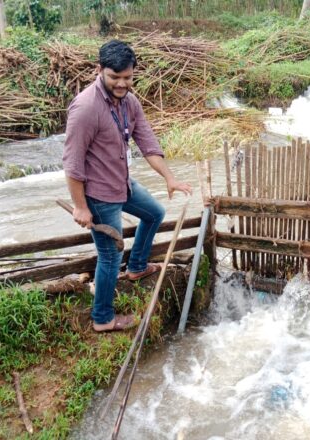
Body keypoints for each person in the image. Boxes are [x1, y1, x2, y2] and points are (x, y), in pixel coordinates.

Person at [62, 40, 192, 333]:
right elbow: (72, 163)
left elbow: (147, 142)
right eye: (115, 77)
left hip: (122, 182)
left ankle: (136, 267)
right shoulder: (85, 108)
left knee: (155, 213)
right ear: (99, 70)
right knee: (109, 256)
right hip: (98, 194)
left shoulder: (130, 102)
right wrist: (81, 206)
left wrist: (169, 177)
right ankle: (103, 318)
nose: (122, 84)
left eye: (128, 77)